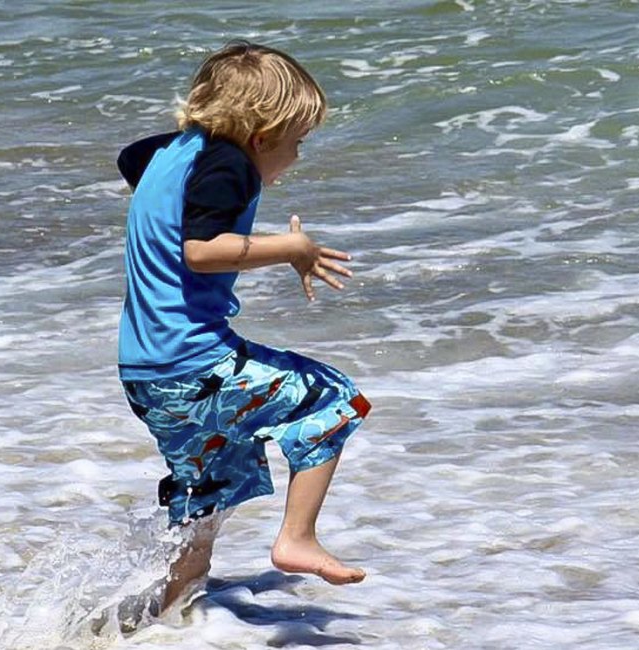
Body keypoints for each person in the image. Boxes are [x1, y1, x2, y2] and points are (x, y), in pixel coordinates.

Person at [114, 40, 370, 618]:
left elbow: (130, 158)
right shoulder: (229, 165)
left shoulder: (169, 155)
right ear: (261, 137)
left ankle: (171, 617)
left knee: (205, 495)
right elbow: (203, 251)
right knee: (333, 399)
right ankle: (297, 539)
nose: (296, 158)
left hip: (146, 372)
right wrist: (292, 247)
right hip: (195, 361)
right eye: (295, 143)